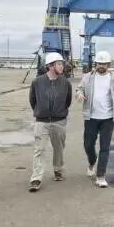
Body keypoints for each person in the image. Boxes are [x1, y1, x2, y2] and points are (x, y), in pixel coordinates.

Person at [76, 50, 114, 188]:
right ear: (95, 64)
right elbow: (79, 89)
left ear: (108, 65)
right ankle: (92, 161)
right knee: (88, 144)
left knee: (105, 148)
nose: (101, 66)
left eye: (104, 64)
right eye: (99, 63)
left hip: (108, 118)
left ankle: (101, 176)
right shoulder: (88, 77)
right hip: (91, 117)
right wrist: (79, 94)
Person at [28, 52, 72, 192]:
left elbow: (68, 100)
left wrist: (60, 112)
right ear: (51, 66)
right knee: (39, 149)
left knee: (58, 148)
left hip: (59, 121)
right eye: (59, 64)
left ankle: (58, 170)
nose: (62, 66)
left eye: (62, 64)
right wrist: (40, 111)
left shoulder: (65, 83)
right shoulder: (37, 82)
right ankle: (36, 178)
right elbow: (33, 100)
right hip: (41, 121)